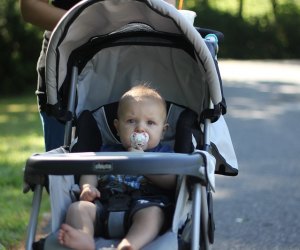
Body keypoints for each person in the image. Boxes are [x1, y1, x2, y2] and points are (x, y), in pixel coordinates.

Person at [57, 85, 177, 250]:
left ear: (163, 132)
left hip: (146, 203)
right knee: (78, 208)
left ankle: (130, 244)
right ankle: (84, 237)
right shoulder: (107, 151)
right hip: (103, 205)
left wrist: (142, 165)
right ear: (117, 127)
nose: (140, 128)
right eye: (131, 121)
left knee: (153, 215)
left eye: (150, 122)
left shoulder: (165, 154)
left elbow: (172, 182)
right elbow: (91, 170)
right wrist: (88, 187)